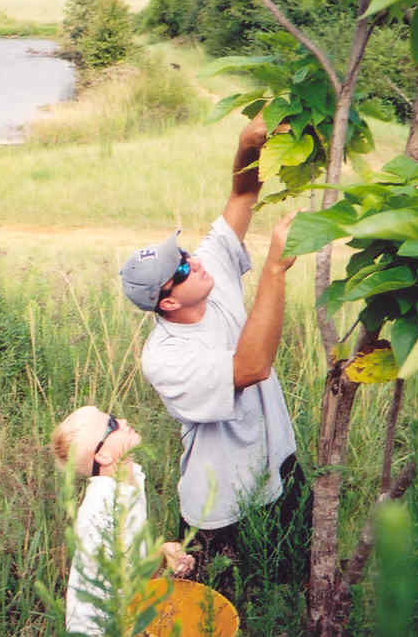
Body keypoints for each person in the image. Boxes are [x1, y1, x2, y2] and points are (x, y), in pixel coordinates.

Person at [118, 113, 308, 582]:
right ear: (166, 301)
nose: (190, 262)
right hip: (220, 506)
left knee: (293, 585)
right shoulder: (165, 358)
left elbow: (242, 195)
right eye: (178, 270)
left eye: (181, 254)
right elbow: (252, 366)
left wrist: (249, 145)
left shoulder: (207, 270)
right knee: (220, 608)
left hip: (279, 470)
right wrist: (275, 271)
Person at [50, 405, 195, 636]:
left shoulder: (129, 482)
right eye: (111, 425)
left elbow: (131, 563)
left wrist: (162, 553)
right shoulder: (102, 510)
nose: (124, 421)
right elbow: (118, 587)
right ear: (103, 456)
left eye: (114, 418)